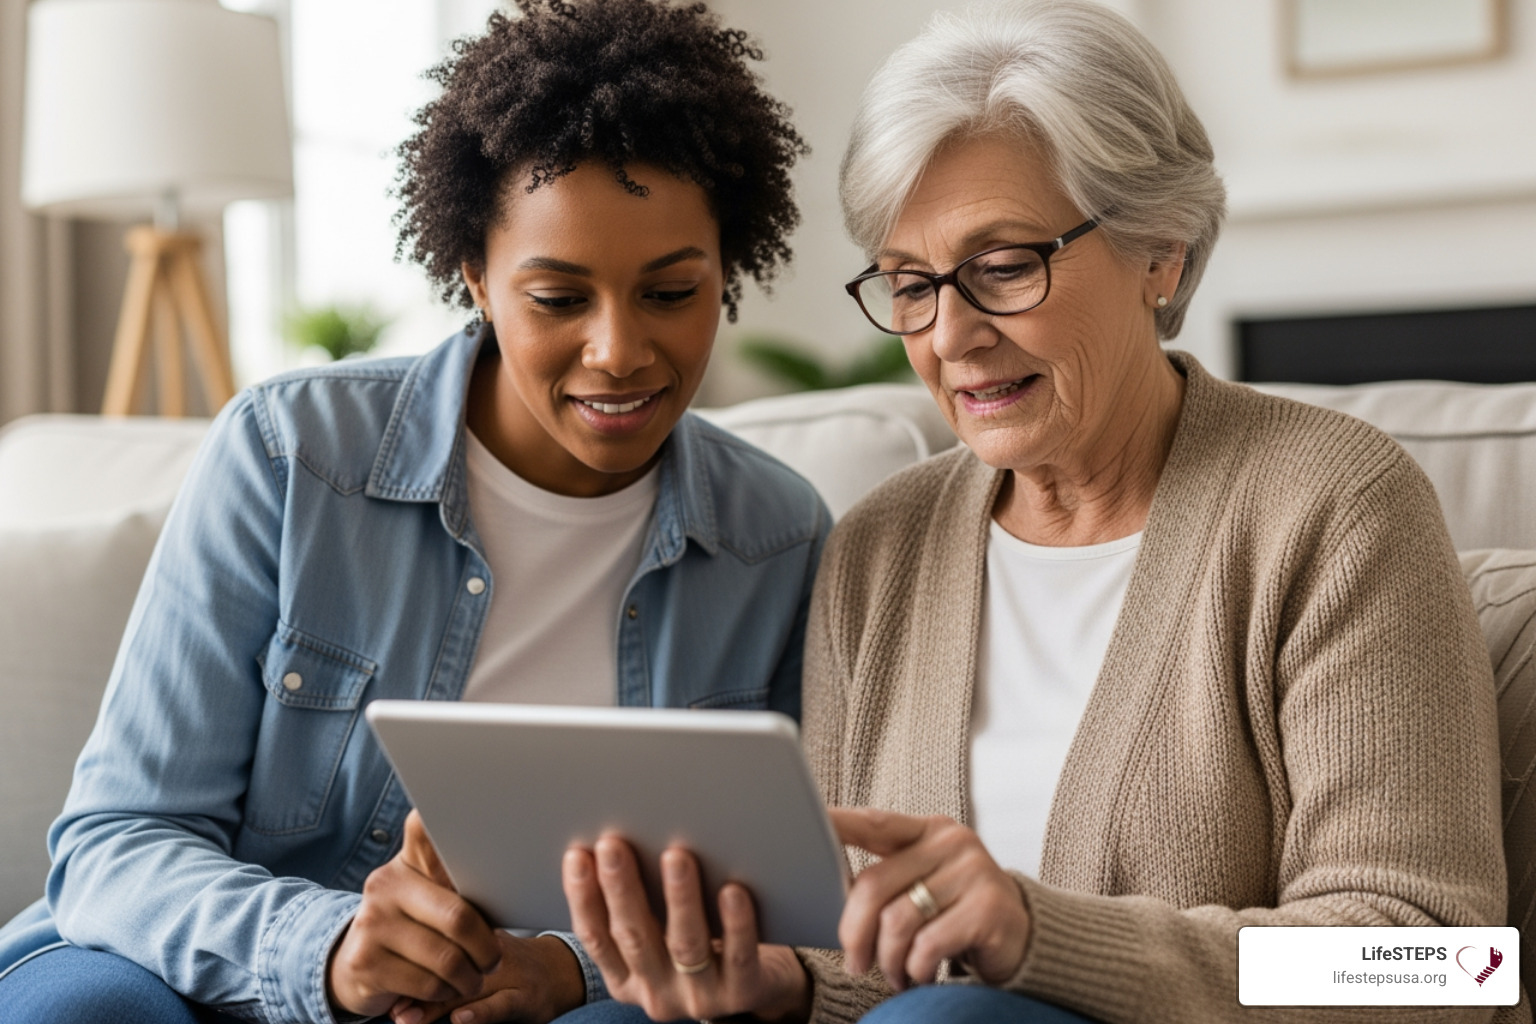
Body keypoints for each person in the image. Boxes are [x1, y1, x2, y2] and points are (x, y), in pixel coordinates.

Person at [557, 2, 1521, 1023]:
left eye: (1004, 266)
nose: (950, 335)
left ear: (1164, 252)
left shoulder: (1337, 507)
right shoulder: (881, 547)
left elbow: (1440, 964)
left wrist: (1040, 935)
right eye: (909, 284)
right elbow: (858, 971)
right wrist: (784, 981)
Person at [0, 2, 826, 1022]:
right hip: (232, 980)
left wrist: (569, 967)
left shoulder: (777, 540)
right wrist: (332, 946)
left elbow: (785, 908)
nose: (619, 350)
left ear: (726, 274)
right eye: (559, 298)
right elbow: (117, 839)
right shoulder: (288, 454)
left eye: (671, 293)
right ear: (476, 277)